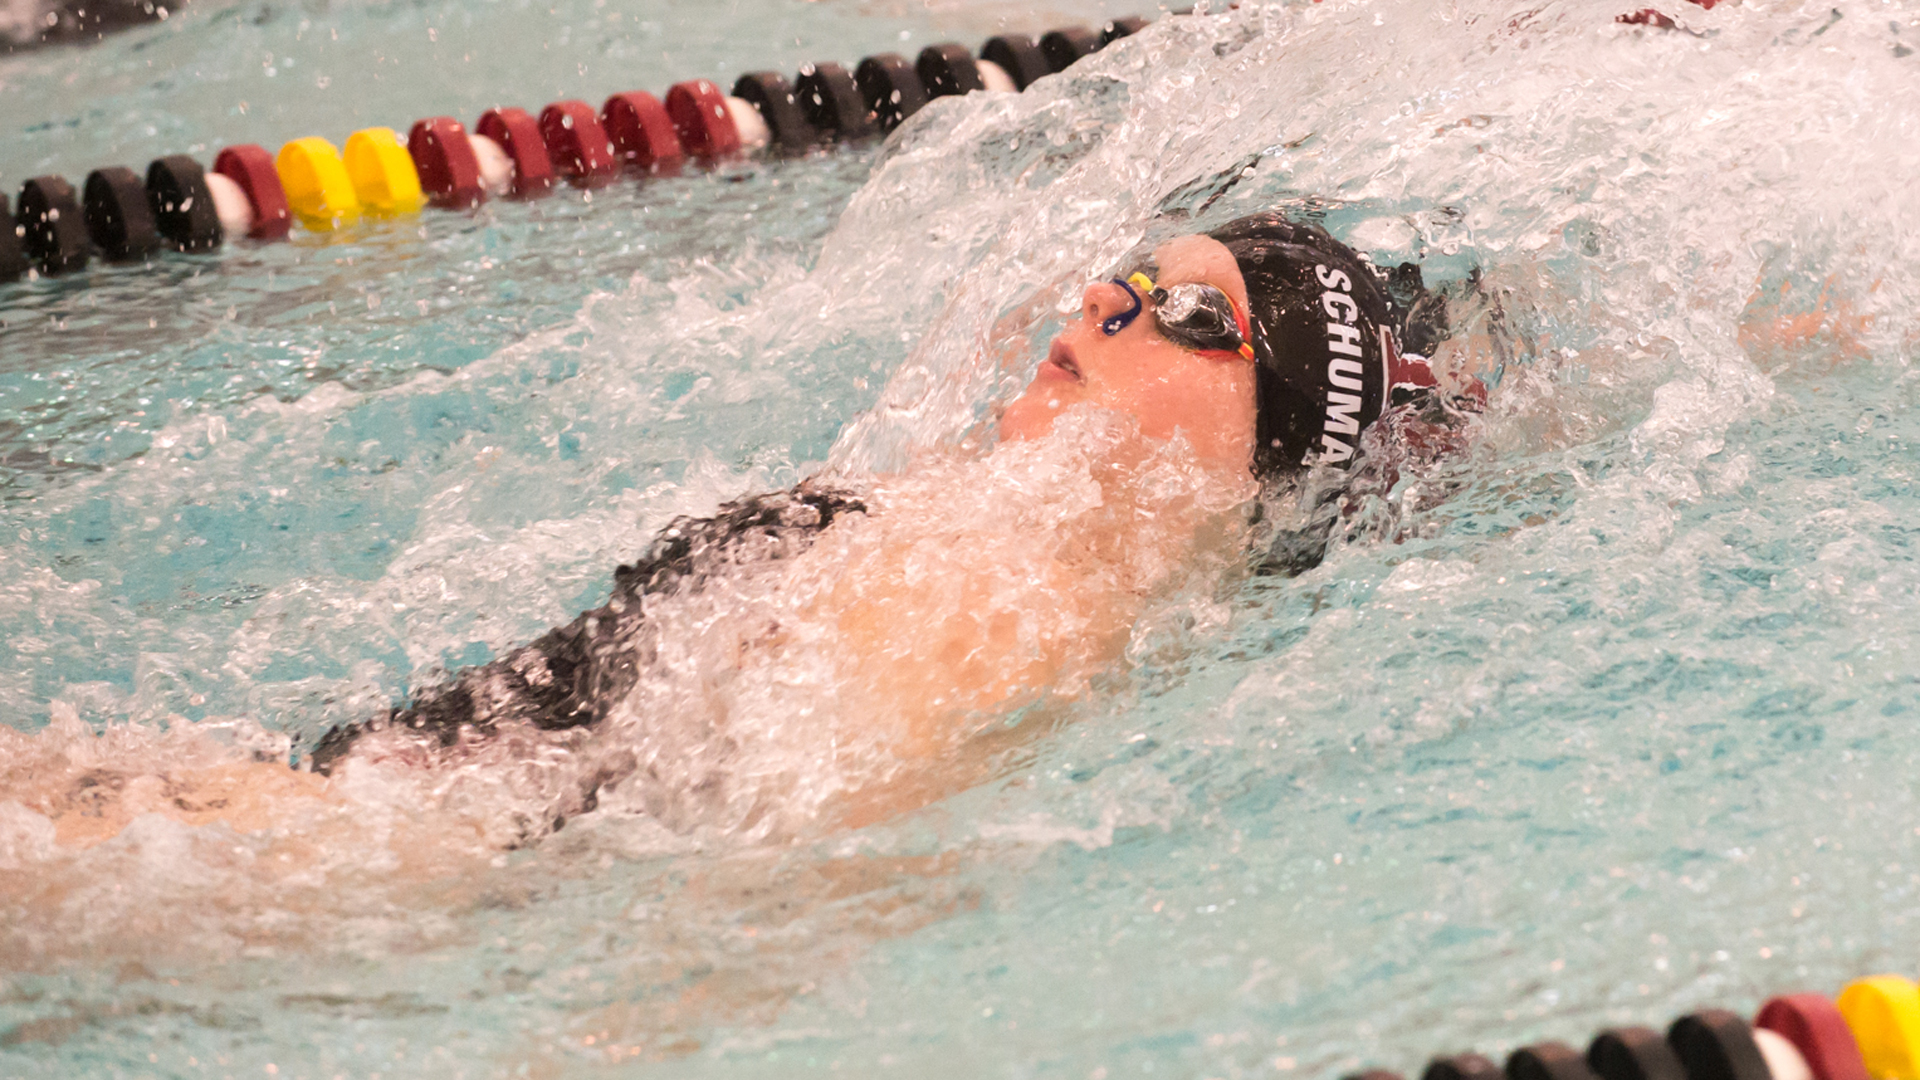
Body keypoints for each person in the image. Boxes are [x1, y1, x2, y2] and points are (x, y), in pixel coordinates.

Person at [12, 212, 1478, 849]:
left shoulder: (1013, 620)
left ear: (1258, 471)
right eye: (1130, 274)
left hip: (334, 855)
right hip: (312, 808)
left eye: (1191, 318)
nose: (1106, 301)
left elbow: (763, 901)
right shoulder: (982, 547)